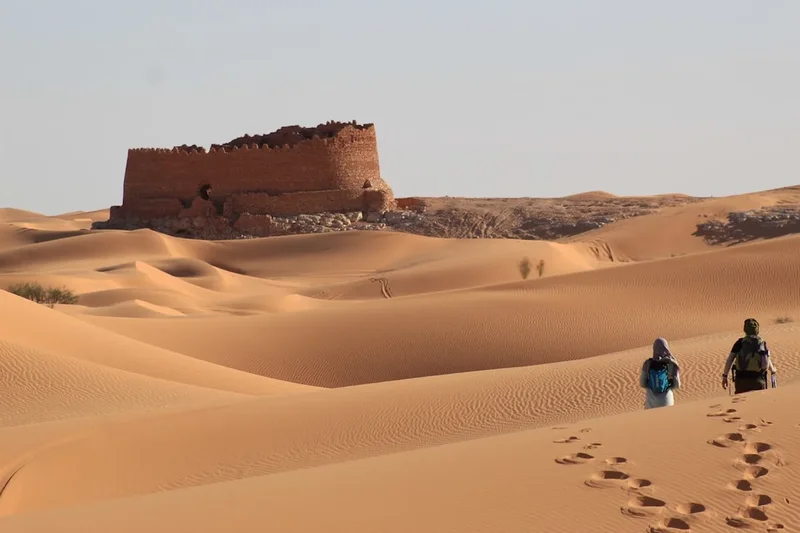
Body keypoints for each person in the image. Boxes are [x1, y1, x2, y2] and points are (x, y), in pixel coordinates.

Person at [722, 318, 776, 394]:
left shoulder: (740, 342)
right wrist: (773, 370)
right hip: (758, 381)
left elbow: (730, 360)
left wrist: (725, 376)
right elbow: (767, 360)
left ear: (745, 329)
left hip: (741, 381)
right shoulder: (762, 343)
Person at [640, 337, 681, 409]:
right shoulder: (672, 363)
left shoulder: (647, 363)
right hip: (667, 402)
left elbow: (642, 384)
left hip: (651, 403)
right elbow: (677, 385)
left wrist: (652, 384)